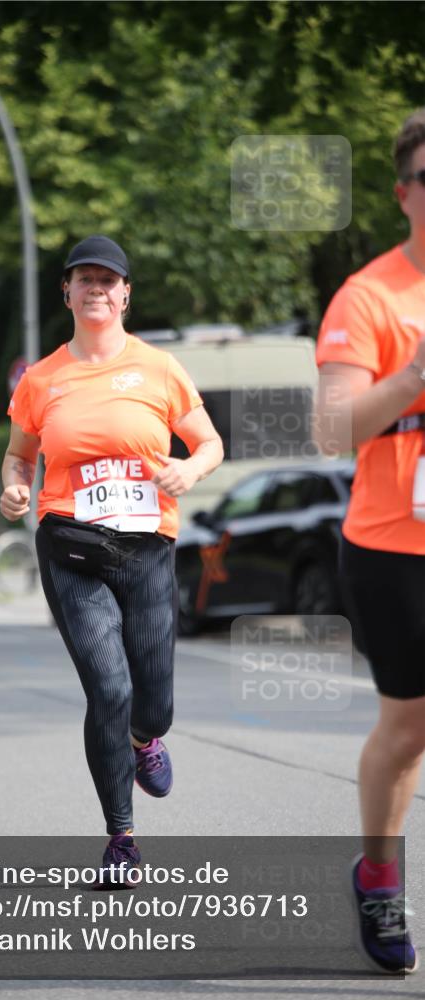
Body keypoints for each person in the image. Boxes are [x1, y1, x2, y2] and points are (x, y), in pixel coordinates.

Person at [0, 235, 223, 883]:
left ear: (125, 293)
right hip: (71, 545)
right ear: (66, 292)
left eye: (108, 279)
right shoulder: (41, 379)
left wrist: (188, 470)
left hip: (147, 545)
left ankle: (144, 740)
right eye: (83, 279)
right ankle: (120, 839)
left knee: (151, 705)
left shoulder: (159, 368)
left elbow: (208, 444)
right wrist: (15, 485)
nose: (96, 288)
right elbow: (20, 454)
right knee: (109, 689)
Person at [316, 109, 425, 974]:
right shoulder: (369, 296)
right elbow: (330, 428)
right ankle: (379, 877)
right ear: (403, 194)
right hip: (395, 547)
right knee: (409, 726)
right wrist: (416, 374)